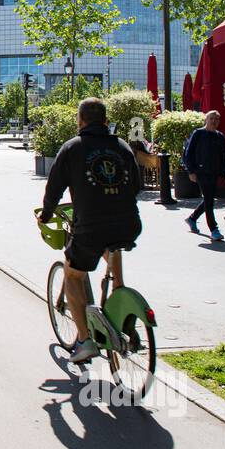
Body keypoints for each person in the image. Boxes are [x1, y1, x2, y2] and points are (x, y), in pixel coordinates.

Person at [38, 97, 142, 364]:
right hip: (129, 223)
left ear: (80, 121)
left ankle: (84, 341)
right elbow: (137, 186)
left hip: (91, 226)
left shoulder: (72, 148)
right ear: (106, 121)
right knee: (113, 246)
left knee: (73, 273)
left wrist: (46, 216)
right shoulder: (122, 147)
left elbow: (54, 189)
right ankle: (120, 295)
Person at [183, 110, 225, 241]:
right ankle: (214, 229)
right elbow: (189, 153)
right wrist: (191, 171)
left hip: (214, 172)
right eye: (212, 118)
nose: (214, 121)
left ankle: (192, 218)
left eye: (217, 119)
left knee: (209, 199)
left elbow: (224, 157)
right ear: (206, 119)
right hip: (201, 172)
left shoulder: (220, 136)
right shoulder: (198, 133)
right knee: (209, 200)